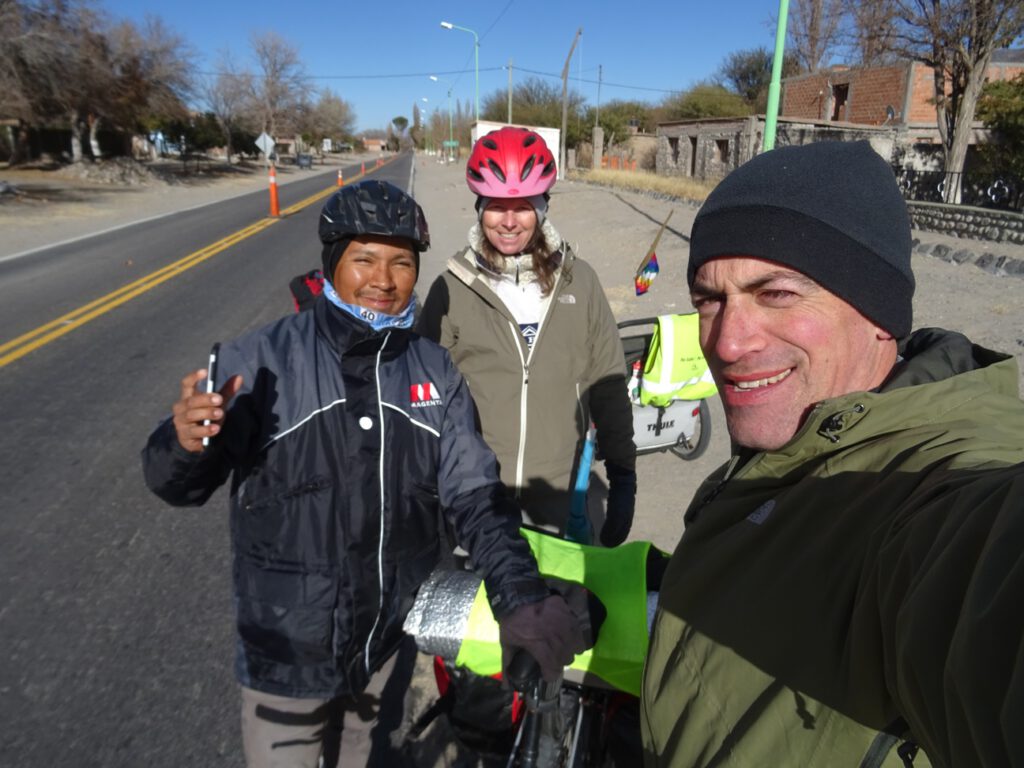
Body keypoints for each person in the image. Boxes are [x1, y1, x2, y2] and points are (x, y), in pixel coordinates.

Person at [141, 179, 586, 768]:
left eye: (402, 262)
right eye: (365, 259)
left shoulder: (436, 371)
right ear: (332, 264)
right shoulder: (259, 360)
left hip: (384, 646)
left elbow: (476, 497)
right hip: (286, 655)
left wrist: (520, 596)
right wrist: (183, 444)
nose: (384, 279)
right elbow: (178, 486)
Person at [641, 140, 1024, 767]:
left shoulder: (930, 493)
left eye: (779, 294)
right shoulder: (791, 447)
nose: (728, 342)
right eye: (709, 299)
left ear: (878, 314)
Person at [416, 126, 637, 546]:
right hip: (471, 493)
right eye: (497, 206)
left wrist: (623, 473)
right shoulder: (452, 287)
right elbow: (423, 393)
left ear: (543, 207)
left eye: (524, 206)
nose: (510, 221)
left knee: (556, 604)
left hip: (553, 496)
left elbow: (607, 378)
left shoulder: (580, 281)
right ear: (479, 208)